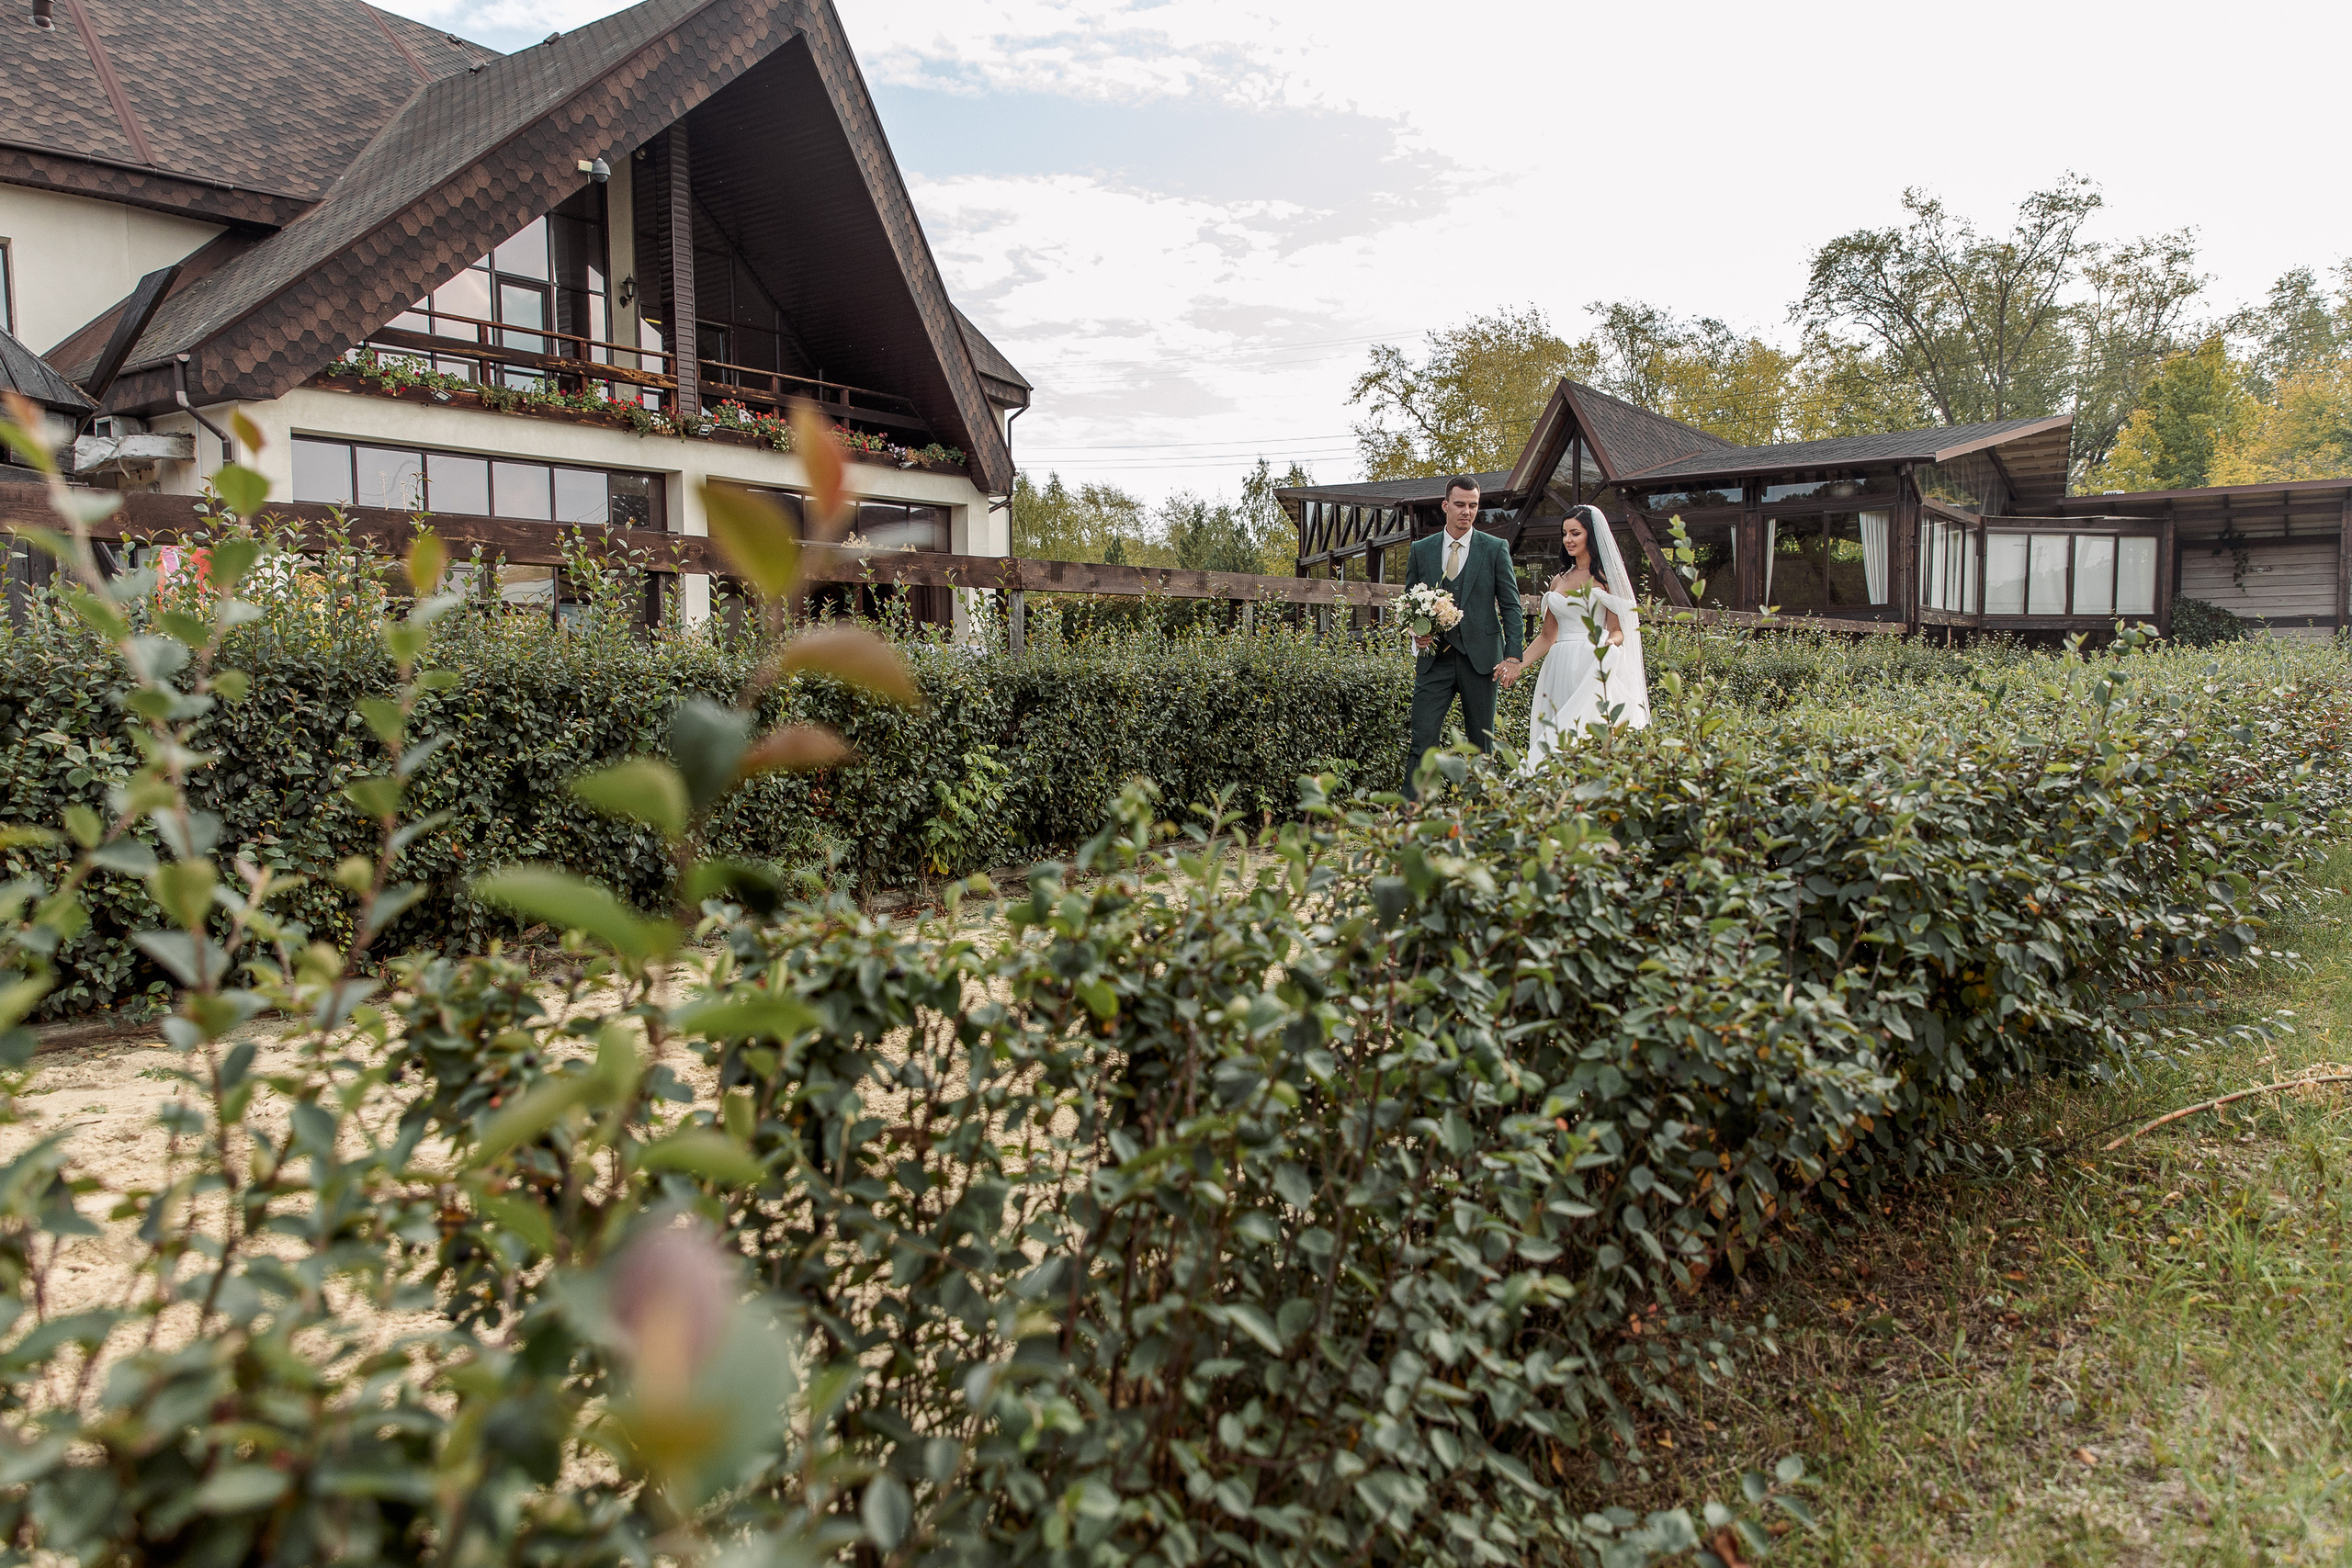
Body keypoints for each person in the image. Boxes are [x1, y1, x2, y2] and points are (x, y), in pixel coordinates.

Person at [1403, 476, 1523, 800]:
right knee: (1422, 738)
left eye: (1473, 505)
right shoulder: (1421, 550)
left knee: (1480, 744)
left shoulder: (1495, 549)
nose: (1466, 511)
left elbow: (1512, 606)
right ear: (1446, 506)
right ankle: (1411, 820)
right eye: (1460, 505)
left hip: (1481, 660)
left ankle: (1482, 819)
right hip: (1434, 663)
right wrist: (1417, 634)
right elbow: (1409, 604)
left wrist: (1514, 657)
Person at [1503, 504, 1650, 767]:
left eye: (1575, 533)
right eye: (1564, 533)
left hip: (1591, 662)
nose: (1568, 540)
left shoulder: (1606, 579)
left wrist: (1609, 643)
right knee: (1554, 740)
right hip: (1558, 668)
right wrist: (1517, 664)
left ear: (1590, 537)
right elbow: (1548, 636)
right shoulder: (1559, 580)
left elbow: (1618, 631)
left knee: (1584, 733)